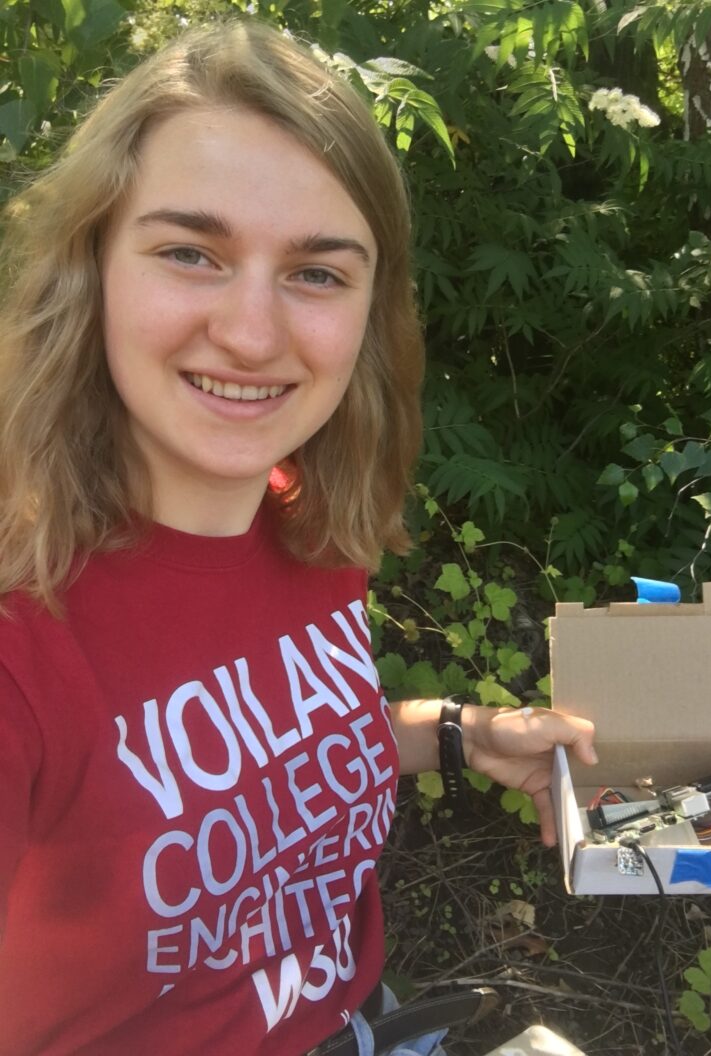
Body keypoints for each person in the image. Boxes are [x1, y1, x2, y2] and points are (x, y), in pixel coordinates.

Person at [0, 20, 596, 1056]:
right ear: (89, 266)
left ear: (371, 311)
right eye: (191, 252)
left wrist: (457, 732)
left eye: (317, 272)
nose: (252, 333)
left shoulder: (299, 515)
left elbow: (269, 748)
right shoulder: (25, 627)